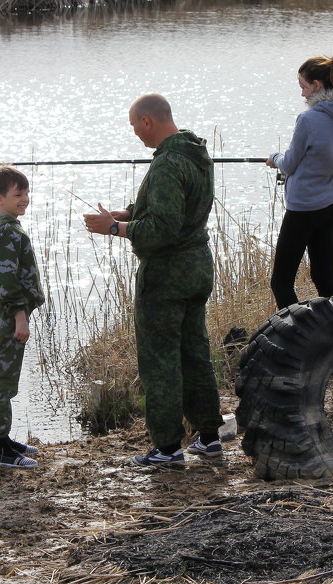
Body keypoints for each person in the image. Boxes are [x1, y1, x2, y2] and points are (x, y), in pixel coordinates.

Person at [83, 93, 225, 466]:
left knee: (160, 359)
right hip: (198, 266)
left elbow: (163, 228)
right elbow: (176, 209)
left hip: (167, 273)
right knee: (196, 354)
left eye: (134, 126)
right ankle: (210, 437)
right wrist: (129, 212)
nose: (135, 134)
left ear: (147, 121)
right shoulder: (197, 154)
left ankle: (167, 447)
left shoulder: (166, 164)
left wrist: (114, 227)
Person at [266, 50, 333, 310]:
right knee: (323, 278)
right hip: (330, 206)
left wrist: (274, 157)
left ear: (317, 85)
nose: (302, 93)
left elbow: (288, 164)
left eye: (303, 86)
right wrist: (329, 160)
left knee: (281, 282)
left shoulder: (309, 119)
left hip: (303, 208)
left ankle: (293, 338)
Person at [0, 166, 46, 469]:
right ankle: (0, 450)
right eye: (19, 194)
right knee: (1, 381)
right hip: (6, 314)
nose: (25, 199)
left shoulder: (1, 228)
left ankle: (2, 439)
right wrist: (20, 317)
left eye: (27, 193)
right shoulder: (6, 233)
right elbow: (7, 280)